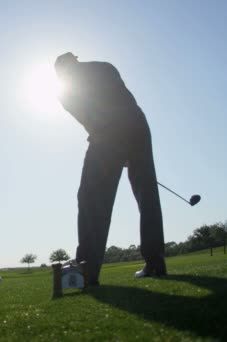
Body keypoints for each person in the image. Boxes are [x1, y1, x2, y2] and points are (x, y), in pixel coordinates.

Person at [54, 52, 167, 286]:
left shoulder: (63, 92)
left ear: (60, 71)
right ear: (74, 60)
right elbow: (126, 103)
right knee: (147, 196)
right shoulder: (105, 66)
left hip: (108, 134)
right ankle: (155, 263)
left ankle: (87, 270)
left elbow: (90, 119)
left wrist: (112, 145)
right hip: (138, 127)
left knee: (92, 199)